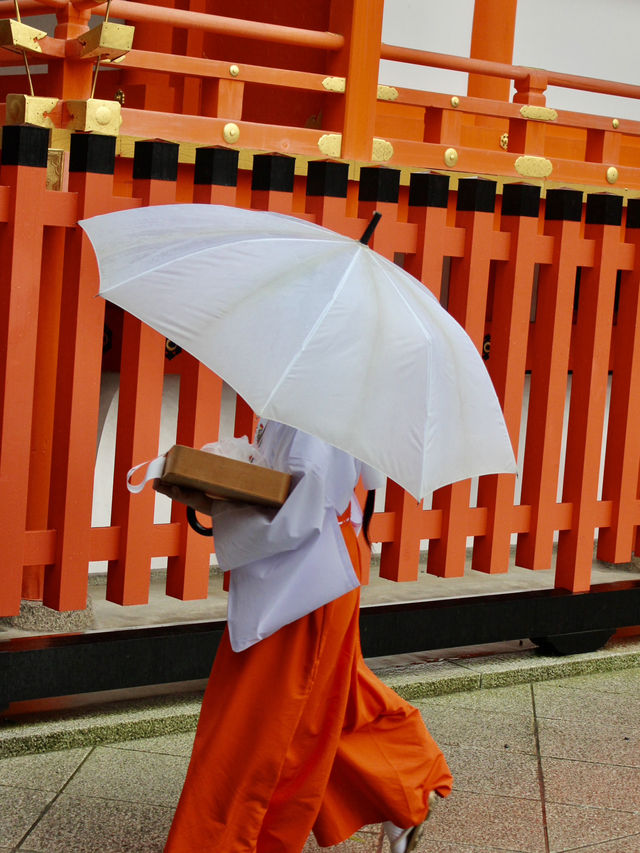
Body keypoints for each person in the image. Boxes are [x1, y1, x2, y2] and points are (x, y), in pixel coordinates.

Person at [155, 420, 452, 853]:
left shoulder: (322, 409)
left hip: (307, 573)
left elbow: (303, 508)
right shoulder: (318, 399)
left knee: (260, 723)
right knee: (326, 698)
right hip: (315, 567)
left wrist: (221, 497)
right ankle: (404, 783)